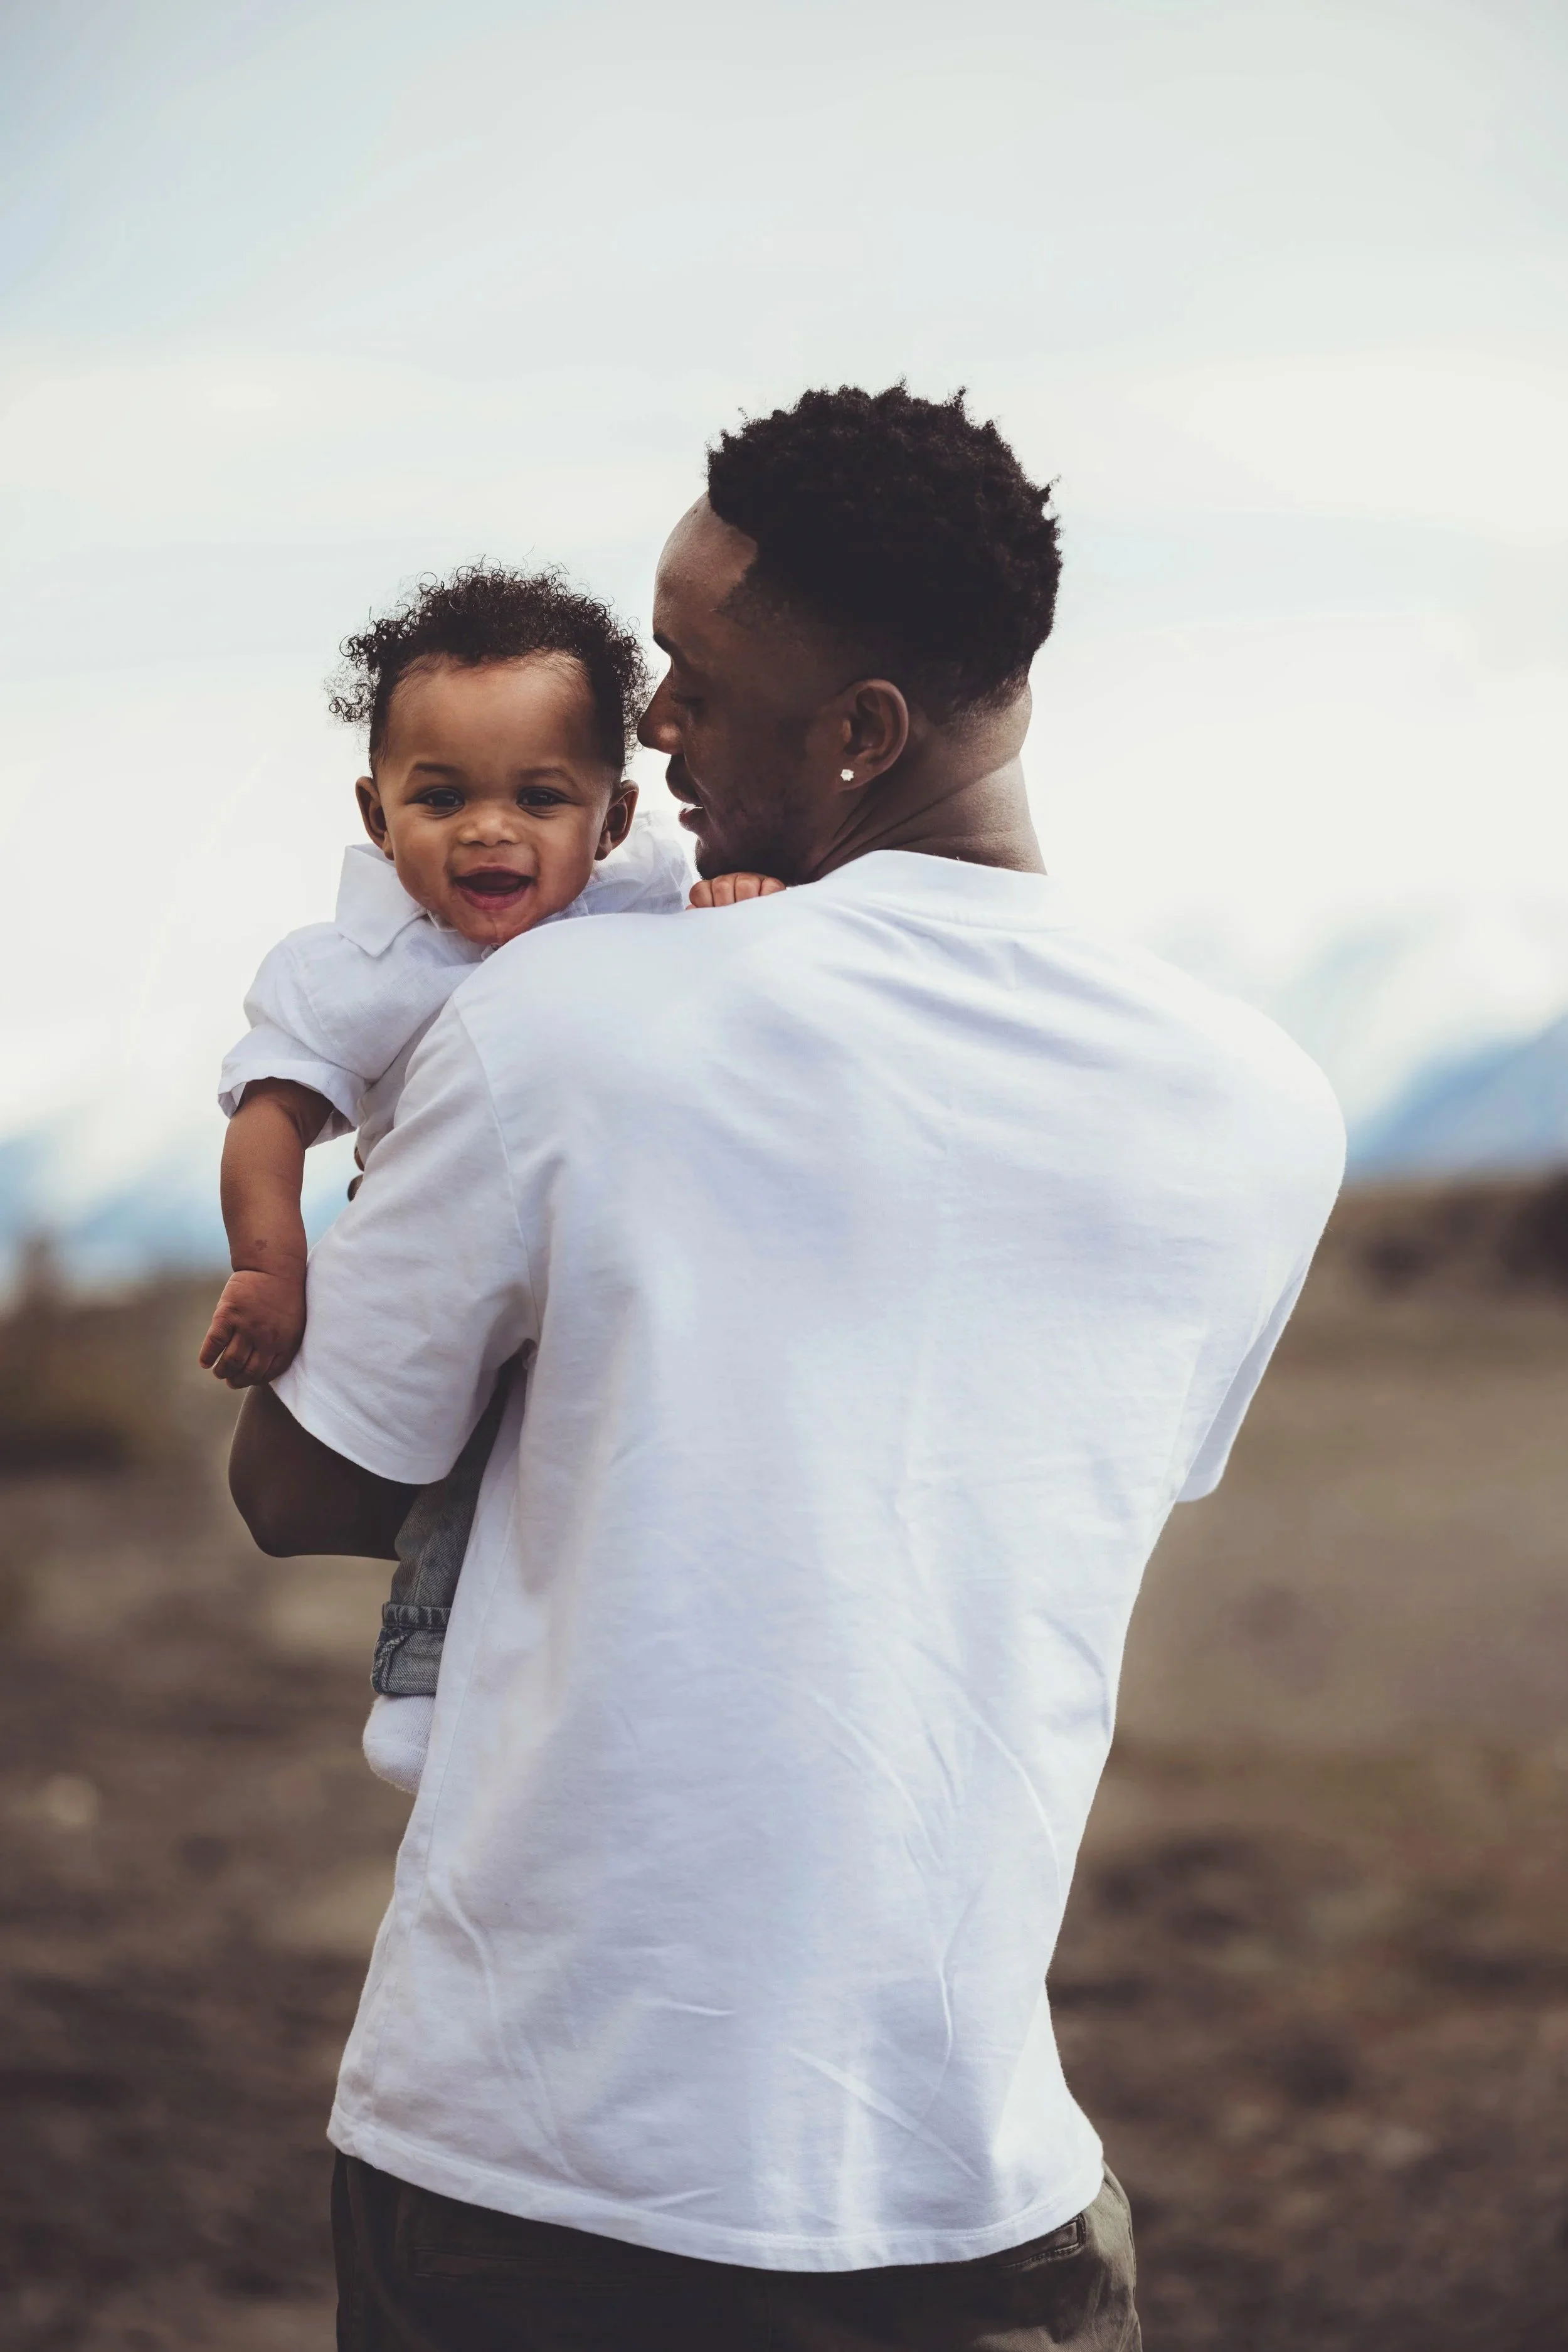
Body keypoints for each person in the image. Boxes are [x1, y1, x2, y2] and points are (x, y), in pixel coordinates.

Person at [231, 384, 1345, 2351]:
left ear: (860, 735)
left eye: (685, 674)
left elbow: (298, 1486)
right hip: (983, 2206)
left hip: (536, 2176)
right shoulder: (1259, 1106)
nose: (644, 723)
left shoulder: (566, 1021)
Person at [203, 561, 775, 1795]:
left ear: (611, 819)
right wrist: (269, 1265)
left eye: (539, 795)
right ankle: (419, 1670)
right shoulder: (357, 965)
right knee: (462, 1475)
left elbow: (711, 967)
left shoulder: (634, 902)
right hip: (447, 1261)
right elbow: (268, 1119)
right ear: (376, 812)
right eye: (441, 795)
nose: (489, 829)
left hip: (597, 1253)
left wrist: (732, 905)